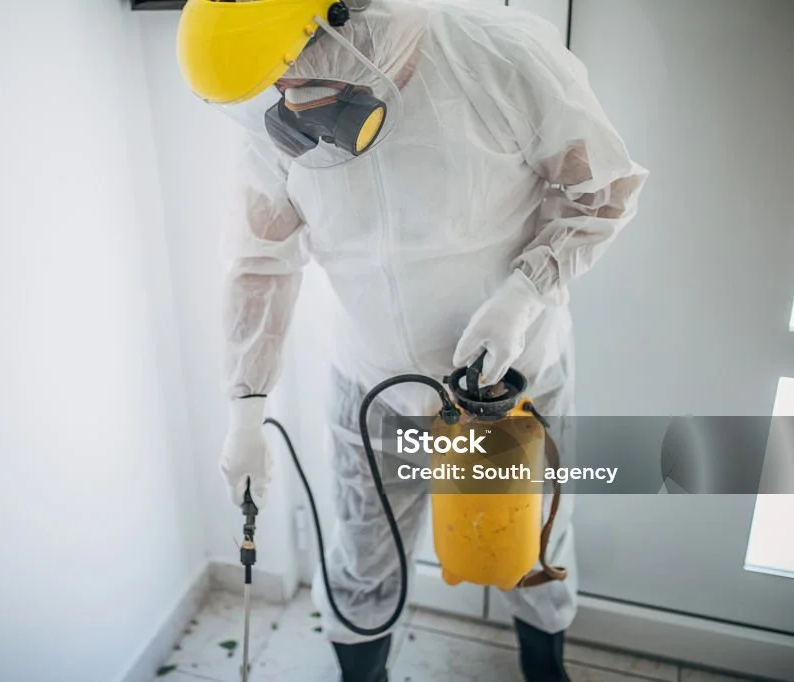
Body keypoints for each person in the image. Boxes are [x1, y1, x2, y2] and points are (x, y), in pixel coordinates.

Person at [177, 0, 648, 680]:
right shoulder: (272, 101)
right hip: (372, 387)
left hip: (505, 383)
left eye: (305, 80)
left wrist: (522, 294)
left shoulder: (496, 55)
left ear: (346, 21)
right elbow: (261, 259)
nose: (290, 104)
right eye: (275, 90)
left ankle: (545, 671)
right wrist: (245, 411)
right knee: (365, 558)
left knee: (526, 542)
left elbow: (600, 191)